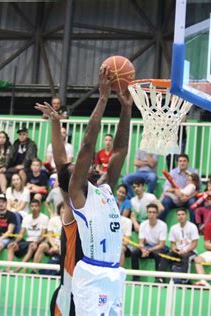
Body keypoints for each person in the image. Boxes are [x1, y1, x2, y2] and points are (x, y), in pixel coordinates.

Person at [67, 66, 132, 315]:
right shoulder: (78, 194)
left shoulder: (105, 189)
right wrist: (103, 99)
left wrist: (126, 109)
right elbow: (87, 144)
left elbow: (119, 151)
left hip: (114, 273)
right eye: (84, 165)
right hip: (92, 276)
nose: (91, 164)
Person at [35, 101, 84, 316]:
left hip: (91, 292)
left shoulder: (101, 200)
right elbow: (60, 162)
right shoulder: (72, 207)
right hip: (70, 294)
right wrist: (55, 123)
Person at [6, 199, 49, 272]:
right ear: (30, 207)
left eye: (36, 206)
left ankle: (17, 270)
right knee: (11, 246)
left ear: (39, 207)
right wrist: (15, 242)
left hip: (37, 242)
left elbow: (43, 236)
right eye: (32, 206)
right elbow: (21, 234)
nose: (34, 208)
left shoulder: (44, 218)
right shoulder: (26, 218)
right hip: (27, 241)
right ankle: (8, 269)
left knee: (31, 246)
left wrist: (35, 243)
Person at [159, 208, 199, 283]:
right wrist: (175, 250)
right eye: (179, 215)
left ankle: (184, 280)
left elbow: (194, 243)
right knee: (166, 256)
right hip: (178, 251)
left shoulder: (192, 226)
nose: (181, 216)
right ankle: (160, 279)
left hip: (191, 251)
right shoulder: (173, 228)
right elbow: (172, 244)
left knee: (186, 257)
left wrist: (185, 250)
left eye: (183, 214)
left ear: (186, 216)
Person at [131, 204, 168, 282]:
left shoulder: (163, 225)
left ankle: (158, 279)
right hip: (147, 246)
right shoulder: (143, 224)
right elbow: (141, 242)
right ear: (147, 213)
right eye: (149, 212)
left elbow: (162, 244)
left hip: (158, 247)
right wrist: (143, 249)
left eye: (154, 212)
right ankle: (136, 278)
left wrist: (149, 250)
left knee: (158, 254)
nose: (151, 214)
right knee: (134, 253)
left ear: (157, 214)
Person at [160, 154, 200, 221]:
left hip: (188, 199)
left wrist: (188, 197)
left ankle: (194, 226)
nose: (182, 163)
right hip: (175, 198)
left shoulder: (194, 172)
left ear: (188, 162)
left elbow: (198, 190)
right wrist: (175, 191)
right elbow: (166, 188)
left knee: (192, 202)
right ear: (177, 162)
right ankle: (159, 224)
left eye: (184, 161)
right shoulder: (173, 172)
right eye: (180, 161)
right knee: (166, 201)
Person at [0, 125, 38, 191]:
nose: (21, 136)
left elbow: (29, 158)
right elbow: (9, 156)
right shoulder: (16, 143)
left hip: (27, 167)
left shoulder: (31, 144)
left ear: (27, 135)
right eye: (20, 134)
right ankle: (4, 193)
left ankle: (22, 191)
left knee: (21, 171)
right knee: (1, 173)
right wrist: (5, 167)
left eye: (23, 134)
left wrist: (23, 165)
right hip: (15, 167)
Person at [34, 202, 64, 268]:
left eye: (66, 209)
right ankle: (34, 270)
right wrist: (54, 246)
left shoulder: (71, 222)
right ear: (59, 209)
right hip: (52, 244)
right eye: (63, 208)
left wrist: (58, 247)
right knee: (42, 246)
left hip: (63, 245)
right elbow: (49, 235)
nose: (64, 210)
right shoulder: (53, 220)